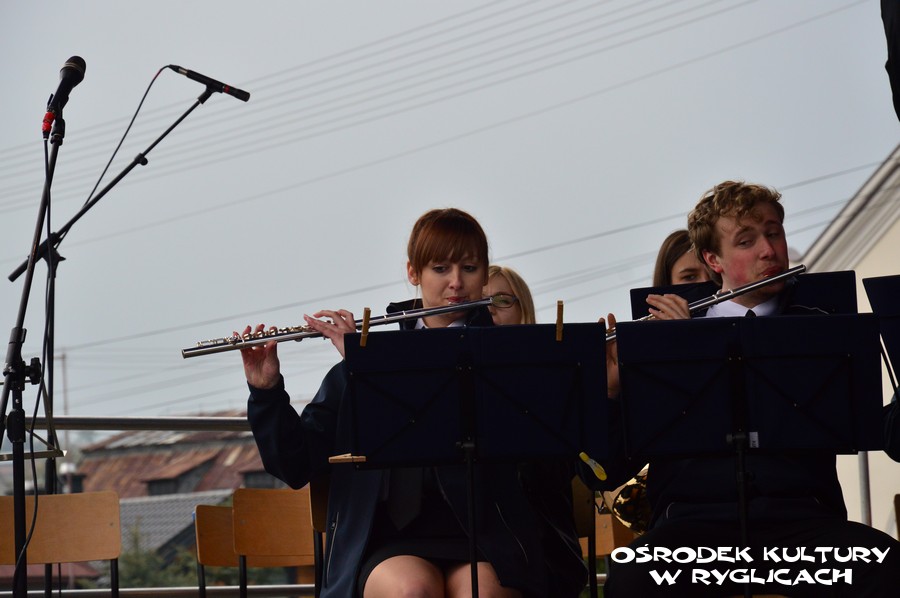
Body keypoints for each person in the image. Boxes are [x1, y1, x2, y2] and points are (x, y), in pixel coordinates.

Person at [241, 208, 586, 598]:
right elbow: (295, 466)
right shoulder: (361, 362)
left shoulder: (510, 359)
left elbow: (549, 466)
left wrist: (373, 368)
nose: (456, 283)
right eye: (440, 268)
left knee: (483, 594)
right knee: (411, 590)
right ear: (413, 272)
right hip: (388, 539)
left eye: (469, 268)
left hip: (493, 535)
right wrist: (266, 392)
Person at [599, 181, 900, 597]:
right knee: (632, 576)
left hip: (803, 530)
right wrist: (611, 393)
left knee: (885, 565)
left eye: (774, 233)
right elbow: (603, 471)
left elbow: (870, 427)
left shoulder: (820, 329)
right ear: (713, 260)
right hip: (694, 536)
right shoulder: (661, 337)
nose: (768, 250)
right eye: (746, 241)